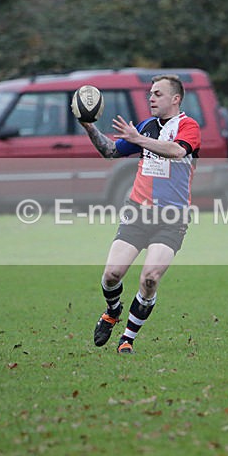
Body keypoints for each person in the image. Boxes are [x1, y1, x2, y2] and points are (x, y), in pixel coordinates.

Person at [76, 74, 201, 354]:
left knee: (150, 279)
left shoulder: (189, 126)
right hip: (138, 213)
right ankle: (112, 311)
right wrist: (89, 126)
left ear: (175, 99)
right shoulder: (145, 127)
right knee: (111, 275)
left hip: (172, 219)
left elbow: (176, 151)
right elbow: (110, 150)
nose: (151, 98)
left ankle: (128, 338)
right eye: (151, 93)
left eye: (157, 94)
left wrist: (139, 139)